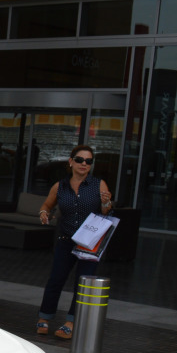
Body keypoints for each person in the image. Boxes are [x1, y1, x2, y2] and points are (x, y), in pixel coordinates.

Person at [35, 144, 113, 339]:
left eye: (88, 161)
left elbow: (106, 211)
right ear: (71, 162)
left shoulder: (98, 184)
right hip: (66, 238)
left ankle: (71, 322)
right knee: (56, 279)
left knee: (83, 284)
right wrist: (44, 213)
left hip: (89, 242)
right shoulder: (60, 186)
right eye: (79, 160)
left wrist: (106, 202)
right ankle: (44, 317)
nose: (84, 164)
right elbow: (47, 205)